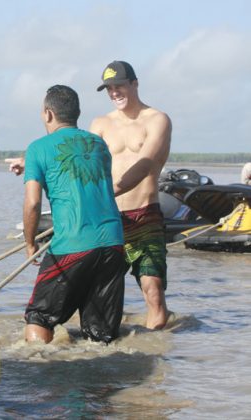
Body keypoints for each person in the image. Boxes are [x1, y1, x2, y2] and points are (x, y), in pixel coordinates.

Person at [23, 85, 126, 344]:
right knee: (100, 336)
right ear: (77, 113)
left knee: (39, 319)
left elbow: (33, 203)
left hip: (73, 243)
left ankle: (36, 371)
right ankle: (101, 383)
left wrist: (29, 242)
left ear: (48, 114)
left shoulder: (37, 148)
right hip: (113, 244)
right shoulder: (99, 144)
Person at [89, 60, 172, 330]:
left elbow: (146, 162)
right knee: (98, 294)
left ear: (134, 84)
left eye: (119, 86)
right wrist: (32, 161)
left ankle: (158, 354)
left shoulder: (157, 119)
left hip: (145, 215)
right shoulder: (100, 124)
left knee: (153, 290)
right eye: (109, 88)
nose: (114, 93)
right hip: (108, 219)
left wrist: (108, 192)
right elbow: (81, 163)